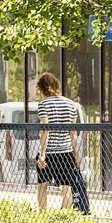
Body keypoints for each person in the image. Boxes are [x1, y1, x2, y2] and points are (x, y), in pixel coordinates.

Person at [34, 73, 89, 214]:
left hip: (49, 152)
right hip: (66, 151)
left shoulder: (43, 105)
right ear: (56, 85)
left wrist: (42, 154)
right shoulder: (71, 105)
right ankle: (65, 216)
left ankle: (43, 214)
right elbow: (73, 133)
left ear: (41, 88)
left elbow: (46, 130)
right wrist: (76, 154)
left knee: (42, 185)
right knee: (66, 186)